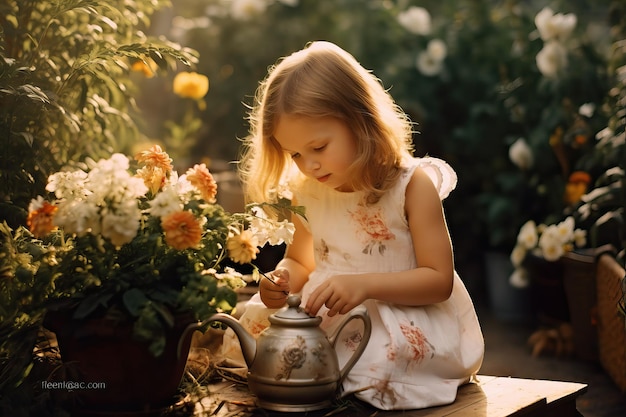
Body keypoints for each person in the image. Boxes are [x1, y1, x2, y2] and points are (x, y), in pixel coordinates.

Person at [220, 40, 484, 410]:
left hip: (399, 314)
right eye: (295, 153)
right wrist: (281, 282)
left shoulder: (410, 186)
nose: (309, 165)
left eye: (319, 146)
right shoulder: (307, 192)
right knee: (258, 340)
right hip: (326, 316)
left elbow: (438, 280)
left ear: (360, 119)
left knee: (375, 361)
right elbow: (300, 262)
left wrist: (364, 285)